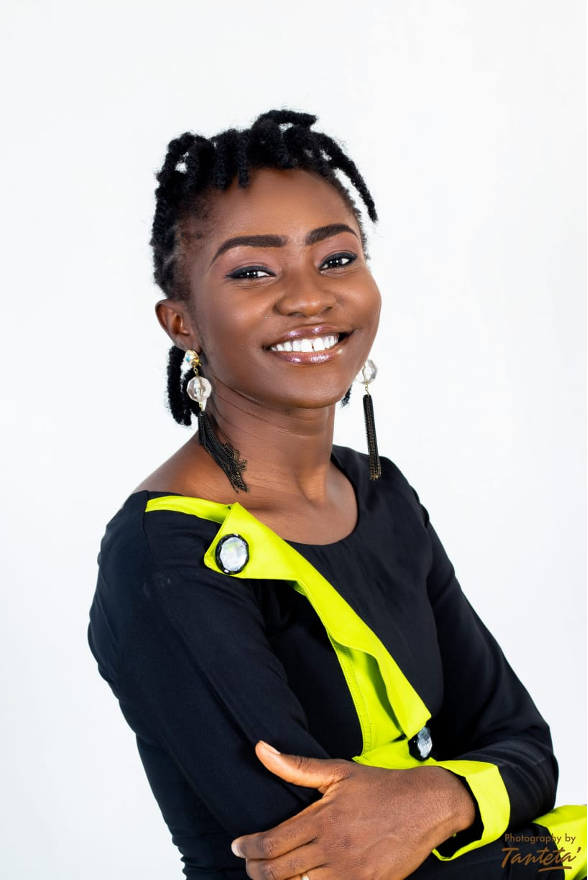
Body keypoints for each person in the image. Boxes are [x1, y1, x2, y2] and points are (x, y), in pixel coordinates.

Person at [87, 109, 586, 880]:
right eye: (253, 271)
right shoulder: (166, 558)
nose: (308, 298)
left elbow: (525, 750)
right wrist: (559, 844)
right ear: (181, 322)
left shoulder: (382, 495)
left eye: (337, 258)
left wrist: (438, 798)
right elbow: (321, 857)